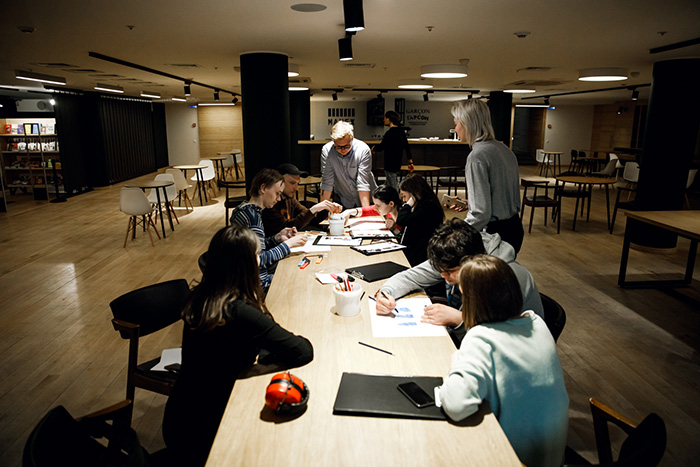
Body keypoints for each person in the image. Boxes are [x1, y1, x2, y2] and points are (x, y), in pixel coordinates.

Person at [162, 225, 313, 466]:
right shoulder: (238, 310)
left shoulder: (201, 296)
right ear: (248, 264)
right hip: (209, 427)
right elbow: (303, 351)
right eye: (257, 255)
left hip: (180, 414)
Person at [438, 255, 568, 467]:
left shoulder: (482, 338)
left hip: (511, 456)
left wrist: (457, 360)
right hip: (552, 454)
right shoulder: (536, 323)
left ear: (473, 301)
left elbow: (456, 405)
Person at [375, 218, 542, 346]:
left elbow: (493, 341)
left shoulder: (500, 278)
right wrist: (386, 293)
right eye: (440, 270)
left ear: (469, 261)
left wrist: (458, 319)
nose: (443, 276)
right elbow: (410, 277)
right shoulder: (455, 255)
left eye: (449, 272)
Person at [451, 99, 524, 255]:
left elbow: (480, 214)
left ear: (467, 123)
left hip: (495, 235)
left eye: (456, 124)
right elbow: (504, 197)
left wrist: (456, 236)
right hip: (514, 228)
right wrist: (472, 203)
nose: (455, 129)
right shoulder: (504, 149)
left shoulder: (477, 156)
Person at [230, 168, 307, 290]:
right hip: (257, 283)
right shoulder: (253, 217)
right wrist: (288, 245)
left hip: (246, 278)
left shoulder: (242, 209)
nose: (279, 199)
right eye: (277, 193)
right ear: (263, 188)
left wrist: (276, 238)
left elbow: (252, 249)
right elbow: (258, 259)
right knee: (300, 277)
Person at [261, 163, 342, 234]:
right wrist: (313, 210)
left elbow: (309, 217)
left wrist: (327, 208)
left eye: (297, 184)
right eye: (292, 183)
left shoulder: (289, 199)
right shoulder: (270, 203)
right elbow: (285, 227)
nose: (296, 188)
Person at [320, 121, 377, 209]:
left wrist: (366, 212)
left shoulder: (363, 150)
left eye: (346, 146)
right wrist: (322, 211)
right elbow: (327, 182)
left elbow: (363, 184)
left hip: (367, 198)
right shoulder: (327, 151)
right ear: (333, 141)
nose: (343, 150)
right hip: (343, 198)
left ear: (352, 139)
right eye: (338, 147)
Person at [395, 173, 445, 266]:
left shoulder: (427, 207)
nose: (404, 200)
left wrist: (408, 205)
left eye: (404, 196)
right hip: (419, 249)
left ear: (413, 194)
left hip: (421, 253)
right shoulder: (426, 204)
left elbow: (401, 220)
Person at [372, 110, 413, 190]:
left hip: (389, 163)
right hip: (397, 162)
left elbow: (382, 146)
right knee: (389, 183)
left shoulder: (389, 133)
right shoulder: (401, 132)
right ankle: (381, 194)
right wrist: (410, 161)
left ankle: (396, 197)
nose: (384, 120)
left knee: (393, 184)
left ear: (389, 119)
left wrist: (374, 148)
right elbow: (406, 146)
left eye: (385, 118)